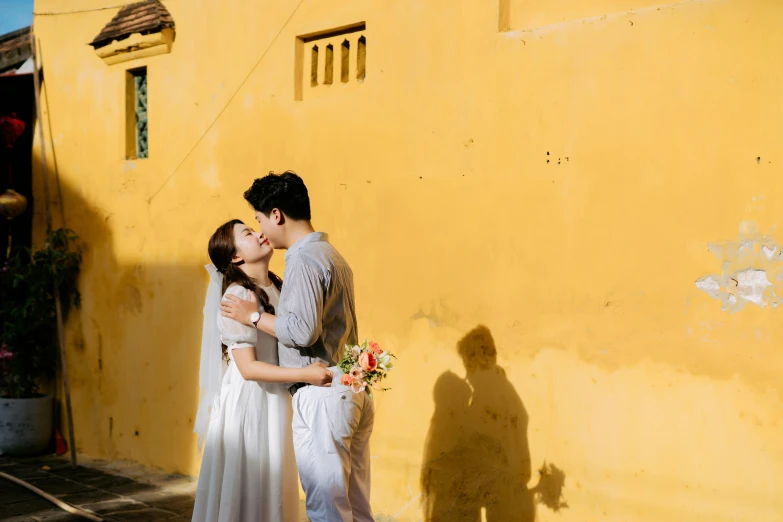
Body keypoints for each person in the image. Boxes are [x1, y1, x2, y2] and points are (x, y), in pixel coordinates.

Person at [221, 171, 375, 522]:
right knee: (357, 506)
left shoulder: (303, 260)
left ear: (276, 215)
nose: (260, 230)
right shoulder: (332, 254)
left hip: (323, 395)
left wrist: (255, 317)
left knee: (327, 509)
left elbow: (302, 331)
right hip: (349, 388)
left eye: (259, 220)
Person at [192, 219, 332, 522]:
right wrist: (305, 375)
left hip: (276, 398)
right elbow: (248, 368)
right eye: (247, 233)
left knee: (274, 486)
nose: (259, 233)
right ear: (235, 257)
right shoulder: (238, 296)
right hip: (251, 402)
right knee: (250, 485)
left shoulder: (278, 286)